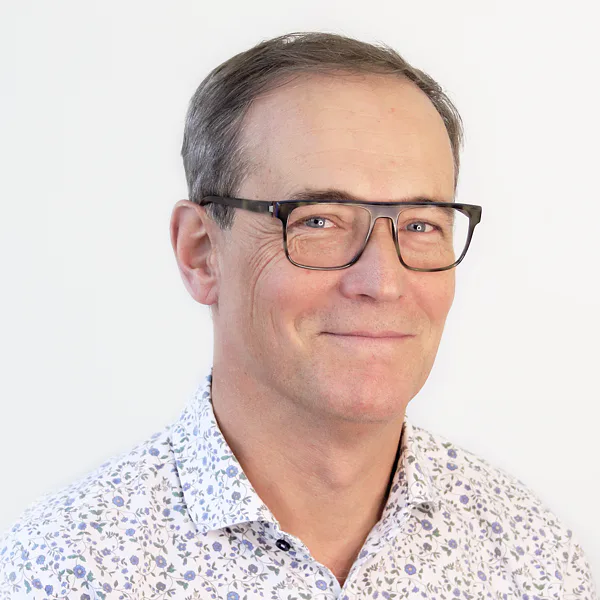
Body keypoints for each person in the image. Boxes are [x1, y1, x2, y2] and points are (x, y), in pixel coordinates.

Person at [0, 31, 596, 599]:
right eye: (318, 220)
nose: (382, 282)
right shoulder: (65, 573)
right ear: (201, 253)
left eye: (421, 226)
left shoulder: (538, 561)